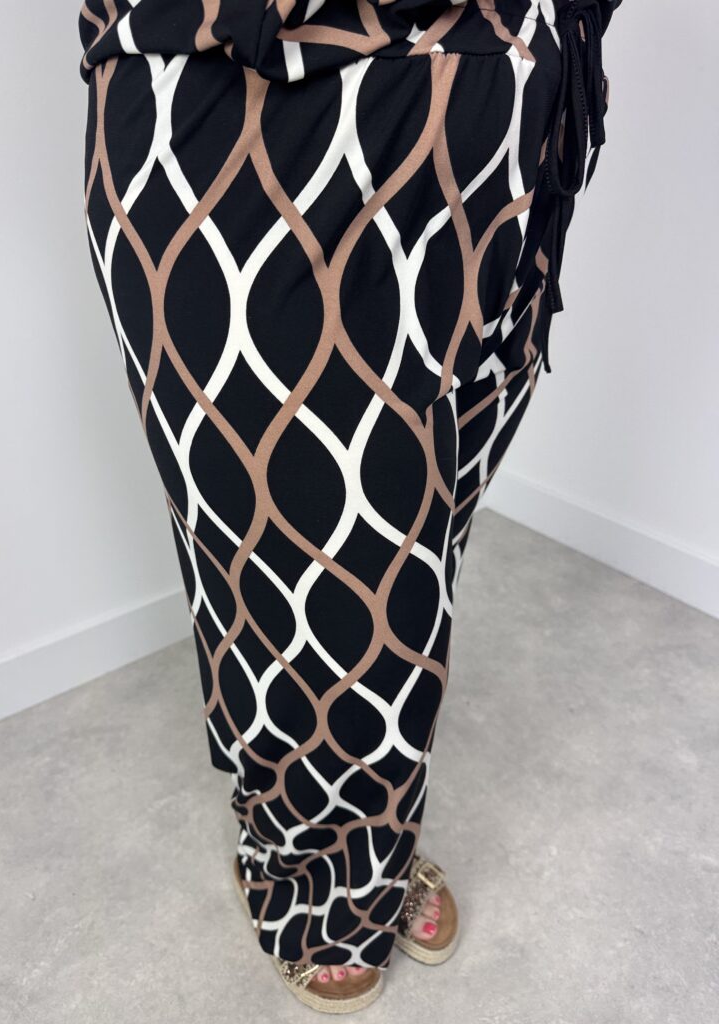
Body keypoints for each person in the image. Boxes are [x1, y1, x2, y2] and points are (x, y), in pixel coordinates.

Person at [78, 0, 622, 1012]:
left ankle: (371, 837)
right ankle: (310, 867)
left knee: (413, 547)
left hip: (496, 112)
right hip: (234, 106)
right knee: (278, 559)